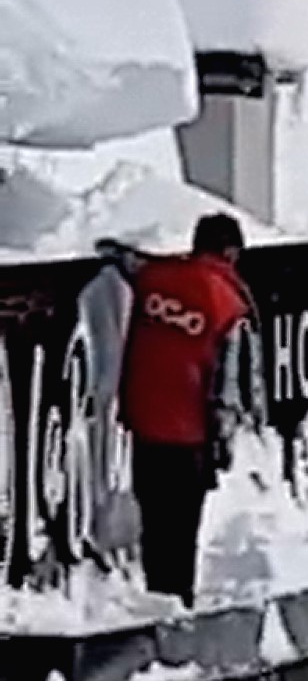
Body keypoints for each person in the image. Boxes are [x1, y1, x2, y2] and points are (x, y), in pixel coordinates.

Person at [110, 213, 254, 608]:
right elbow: (228, 385)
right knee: (182, 528)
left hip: (144, 423)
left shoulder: (154, 278)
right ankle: (177, 603)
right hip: (189, 436)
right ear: (231, 252)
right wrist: (224, 442)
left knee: (154, 521)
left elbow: (127, 262)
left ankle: (154, 596)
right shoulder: (229, 303)